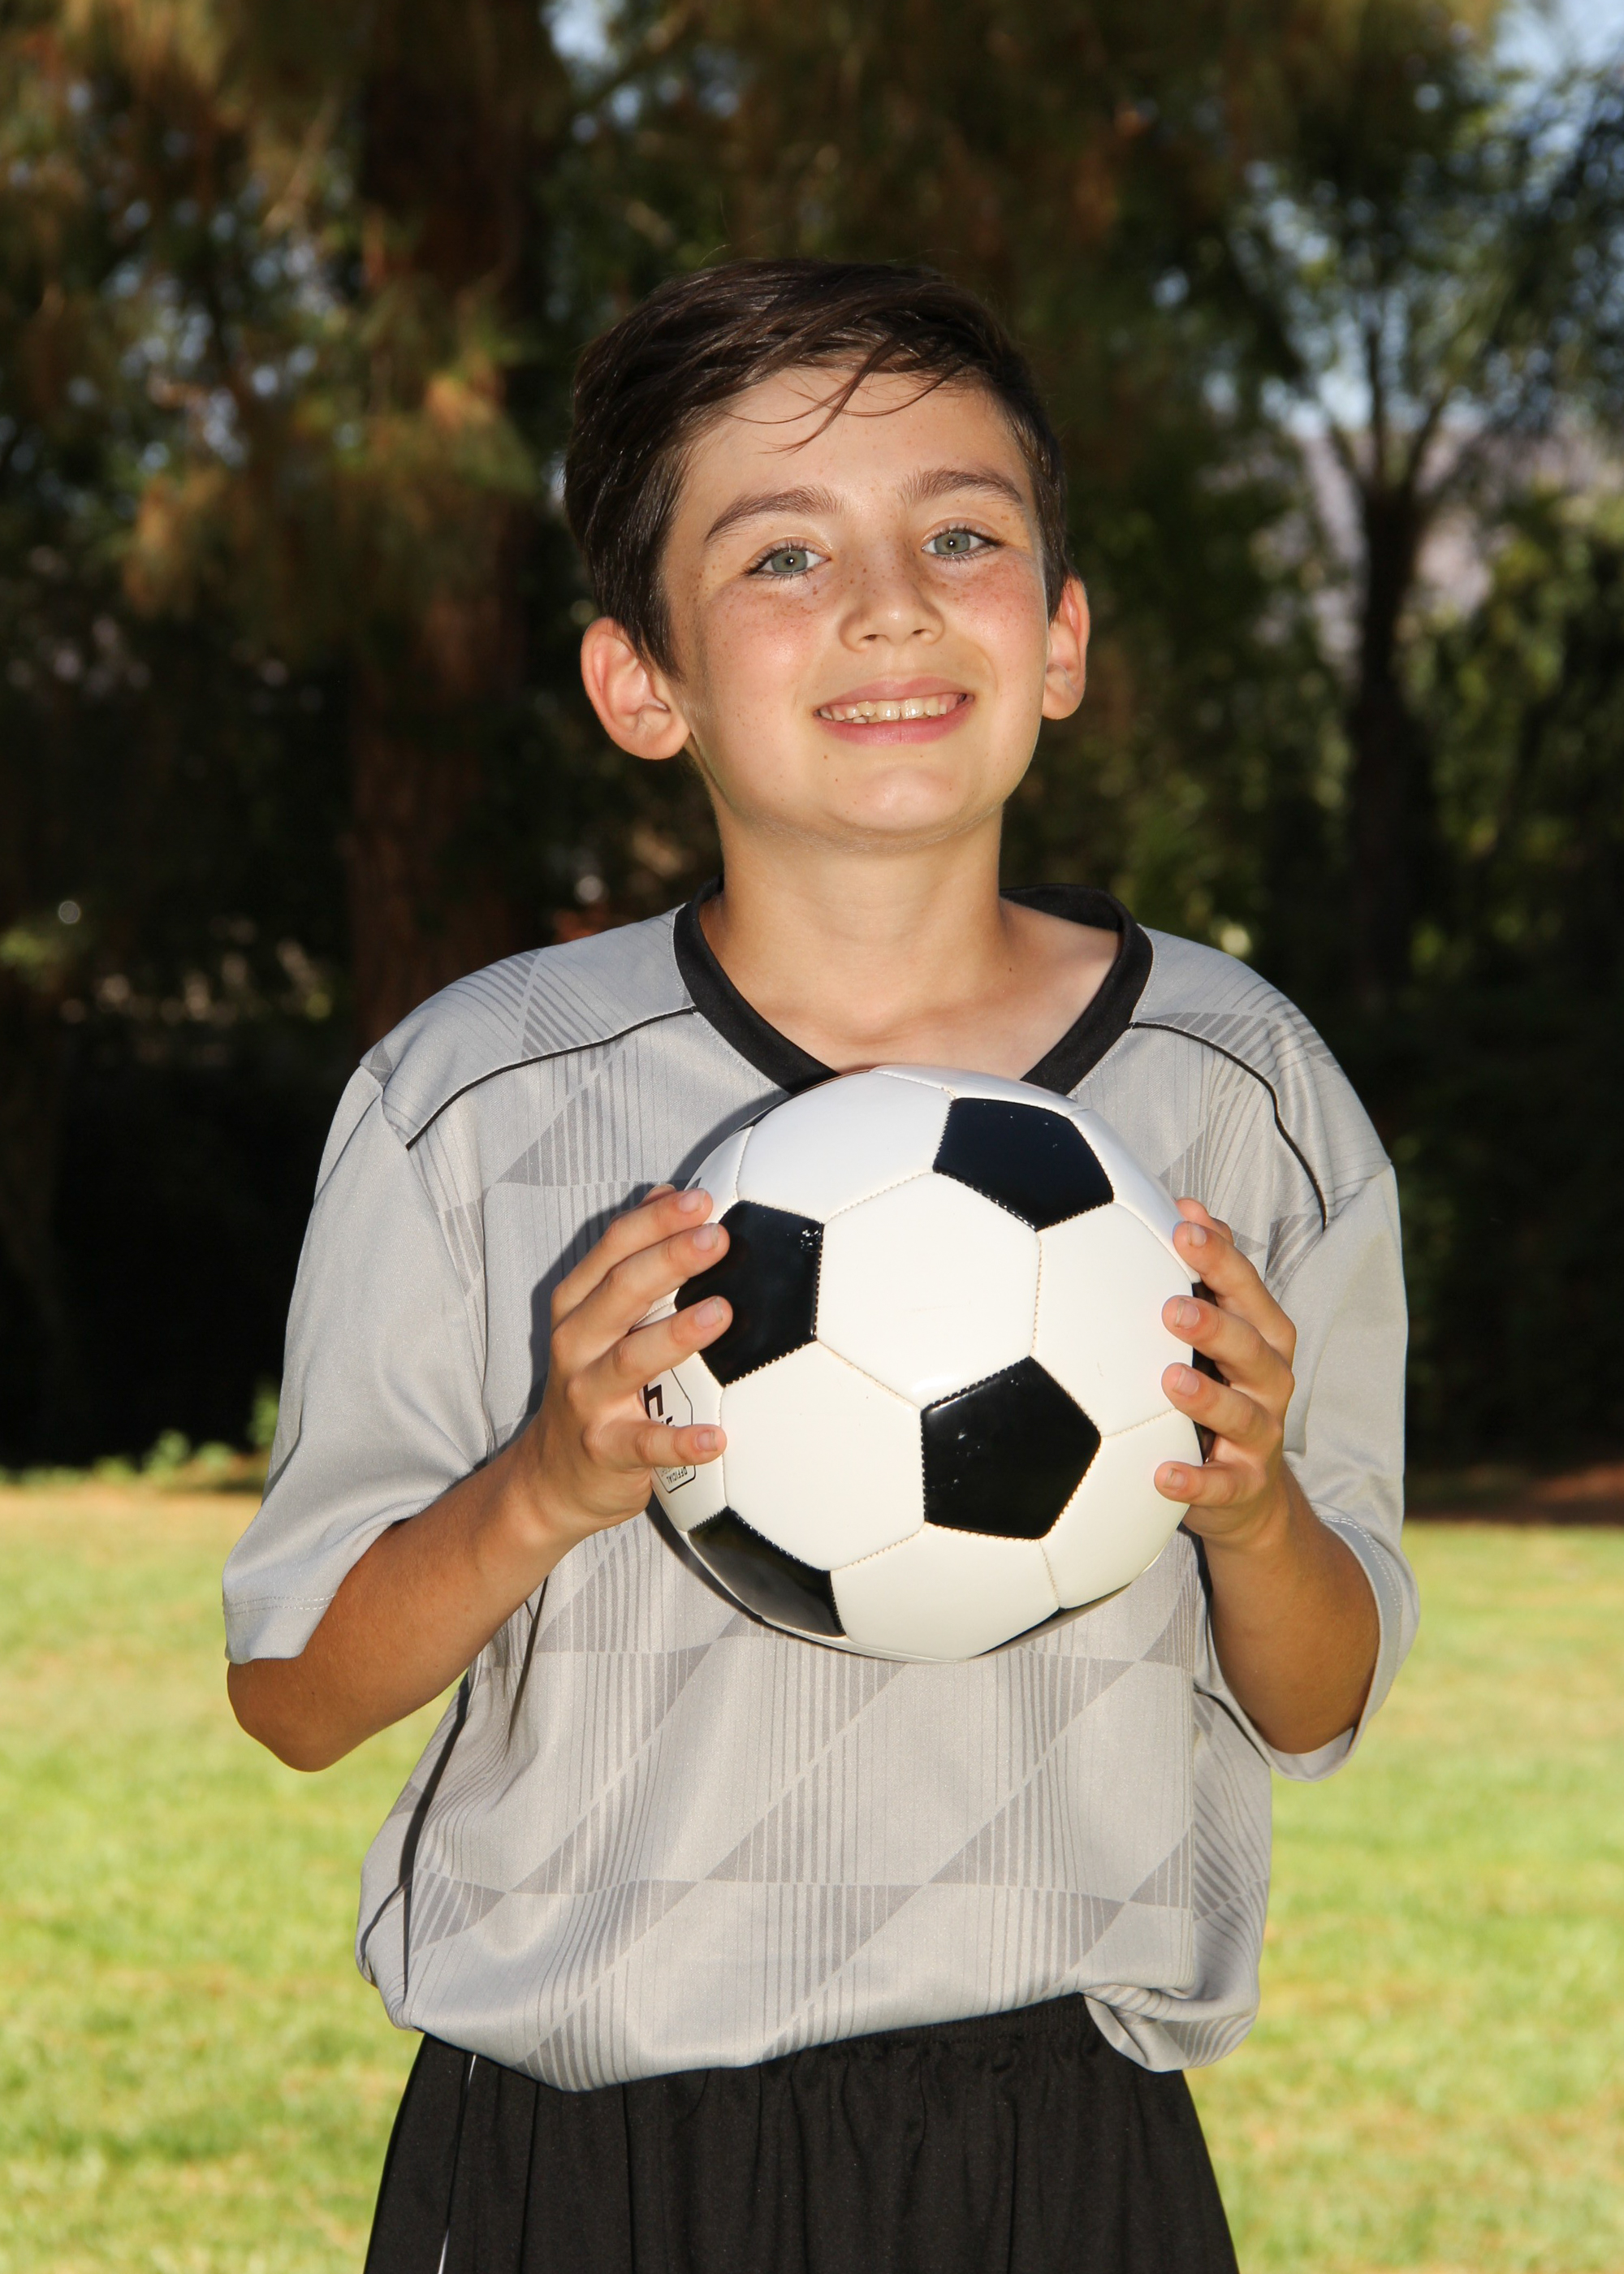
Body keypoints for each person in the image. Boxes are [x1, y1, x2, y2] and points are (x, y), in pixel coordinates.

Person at [223, 260, 1415, 2274]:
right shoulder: (472, 1096)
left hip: (1060, 2150)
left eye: (961, 535)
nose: (888, 603)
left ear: (1059, 637)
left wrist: (1254, 1505)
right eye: (783, 552)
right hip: (586, 2159)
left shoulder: (1241, 1087)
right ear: (643, 681)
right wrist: (544, 1483)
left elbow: (1324, 1693)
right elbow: (294, 1693)